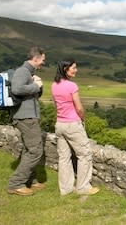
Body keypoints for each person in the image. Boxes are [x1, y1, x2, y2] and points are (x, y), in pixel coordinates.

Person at [51, 58, 99, 196]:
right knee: (84, 154)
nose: (76, 70)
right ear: (66, 69)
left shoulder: (54, 85)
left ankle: (66, 189)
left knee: (64, 157)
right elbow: (79, 108)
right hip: (72, 124)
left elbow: (57, 105)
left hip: (59, 124)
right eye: (74, 68)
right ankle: (83, 187)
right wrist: (83, 119)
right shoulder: (72, 86)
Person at [7, 46, 46, 196]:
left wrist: (38, 86)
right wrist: (35, 86)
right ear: (35, 58)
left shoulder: (29, 73)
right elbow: (17, 89)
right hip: (25, 117)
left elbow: (32, 94)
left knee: (29, 149)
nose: (43, 63)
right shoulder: (23, 71)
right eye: (43, 60)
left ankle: (31, 180)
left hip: (28, 116)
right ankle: (16, 184)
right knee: (36, 150)